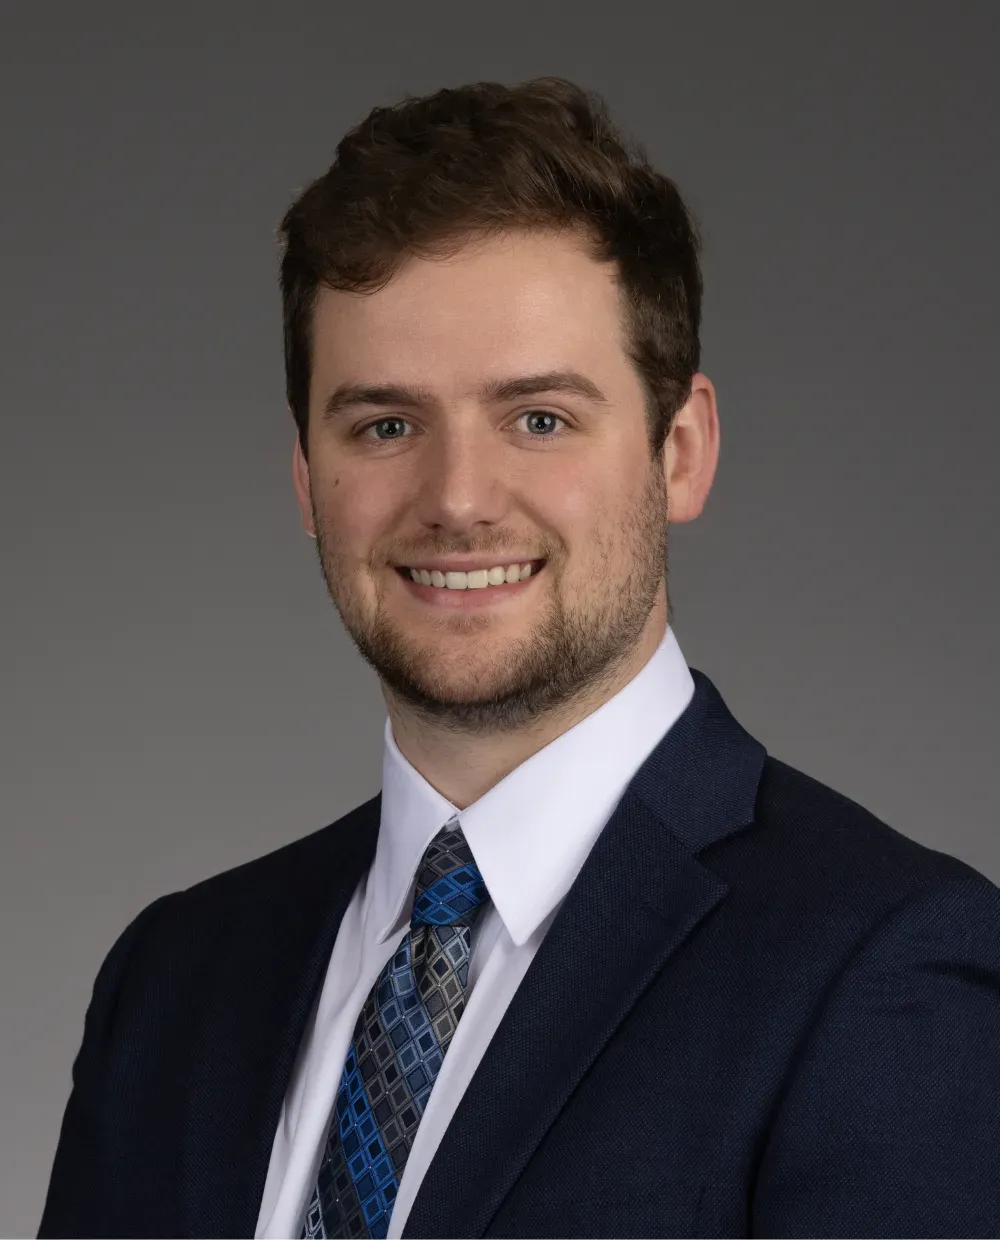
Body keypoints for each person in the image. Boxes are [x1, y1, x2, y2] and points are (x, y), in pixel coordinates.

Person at [38, 75, 1000, 1240]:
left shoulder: (880, 971)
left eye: (538, 418)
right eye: (384, 424)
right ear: (306, 477)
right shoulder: (174, 983)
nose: (455, 499)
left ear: (680, 450)